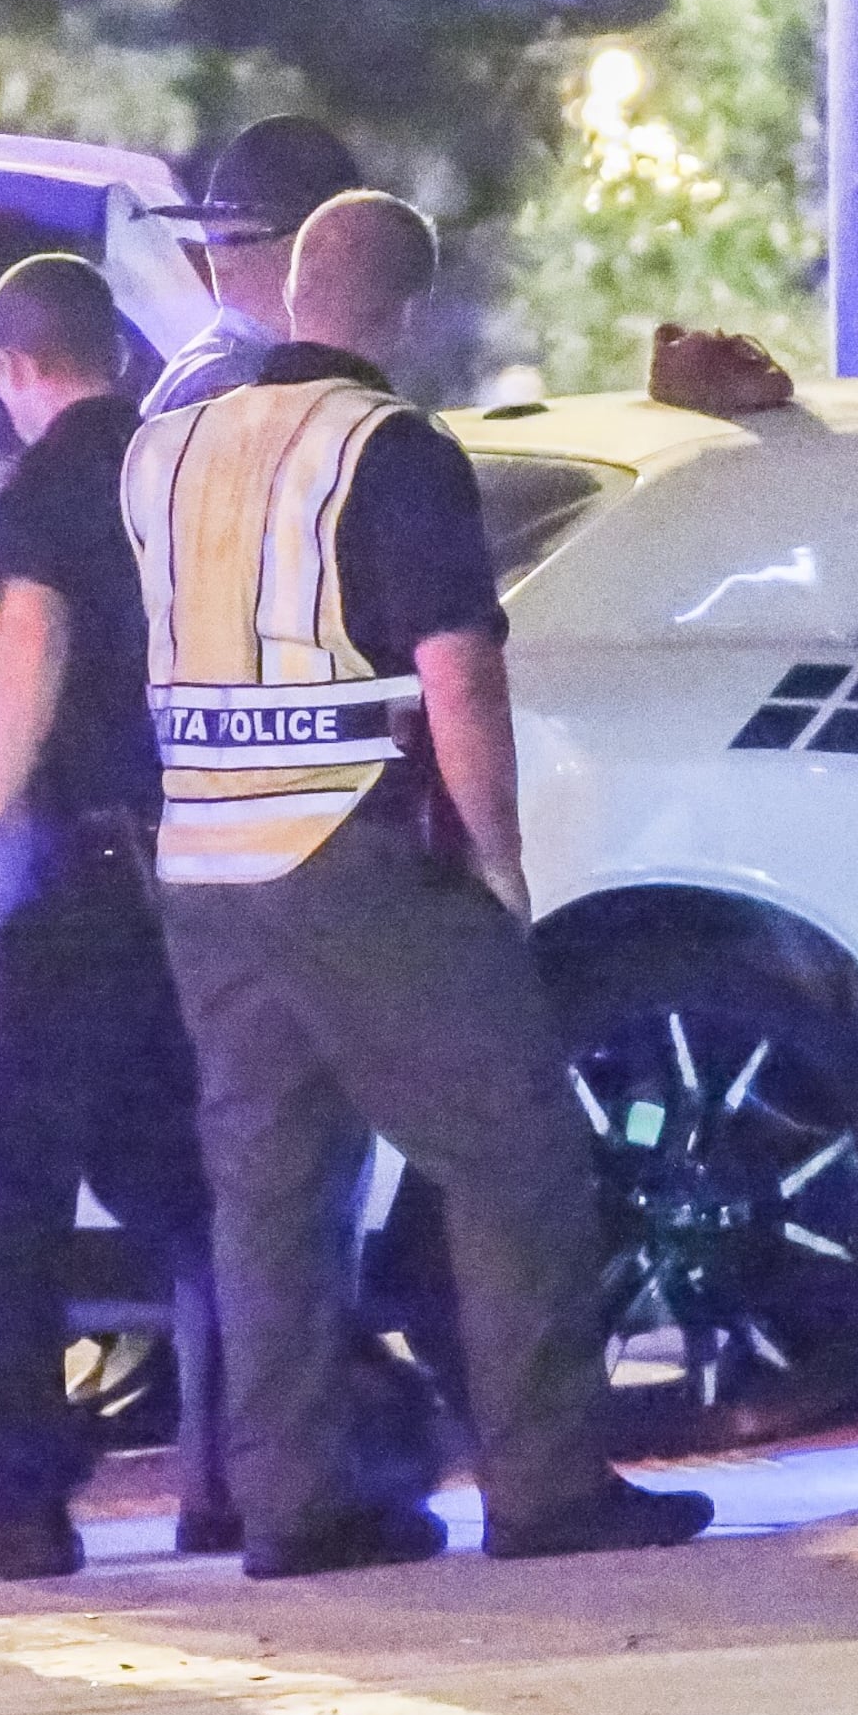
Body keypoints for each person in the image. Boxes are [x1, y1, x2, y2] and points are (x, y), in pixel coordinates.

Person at [127, 191, 711, 1578]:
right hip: (354, 852)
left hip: (204, 861)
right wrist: (499, 859)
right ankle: (548, 1482)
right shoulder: (390, 448)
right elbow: (457, 667)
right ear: (405, 313)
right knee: (518, 1160)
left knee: (272, 1192)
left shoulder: (165, 450)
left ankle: (293, 1503)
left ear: (286, 296)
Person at [0, 254, 238, 1585]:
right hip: (191, 875)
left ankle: (19, 1488)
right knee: (181, 1183)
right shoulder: (172, 471)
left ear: (10, 366)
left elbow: (27, 651)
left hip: (79, 889)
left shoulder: (41, 490)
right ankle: (277, 1453)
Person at [147, 116, 365, 416]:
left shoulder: (227, 363)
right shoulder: (231, 386)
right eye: (212, 237)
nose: (218, 256)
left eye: (236, 238)